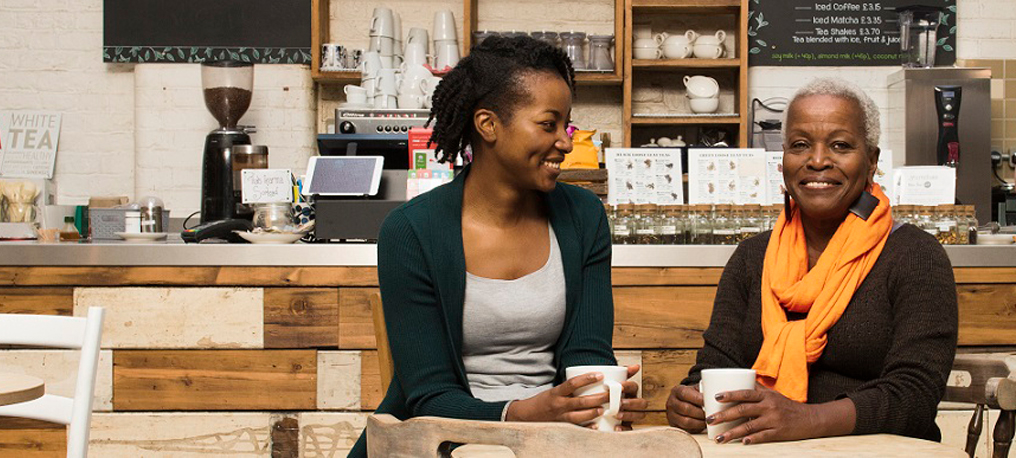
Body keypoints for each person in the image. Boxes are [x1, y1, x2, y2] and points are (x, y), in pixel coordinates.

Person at [348, 36, 648, 457]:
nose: (564, 141)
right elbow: (428, 396)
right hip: (447, 441)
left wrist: (596, 397)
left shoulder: (583, 217)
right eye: (548, 124)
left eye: (568, 125)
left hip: (555, 440)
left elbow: (587, 353)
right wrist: (523, 414)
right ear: (488, 124)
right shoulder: (411, 231)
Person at [665, 77, 958, 445]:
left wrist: (808, 419)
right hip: (763, 451)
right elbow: (714, 368)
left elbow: (916, 396)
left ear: (871, 162)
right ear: (783, 159)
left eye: (840, 145)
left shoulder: (914, 255)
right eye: (801, 145)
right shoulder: (752, 258)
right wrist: (689, 399)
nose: (818, 161)